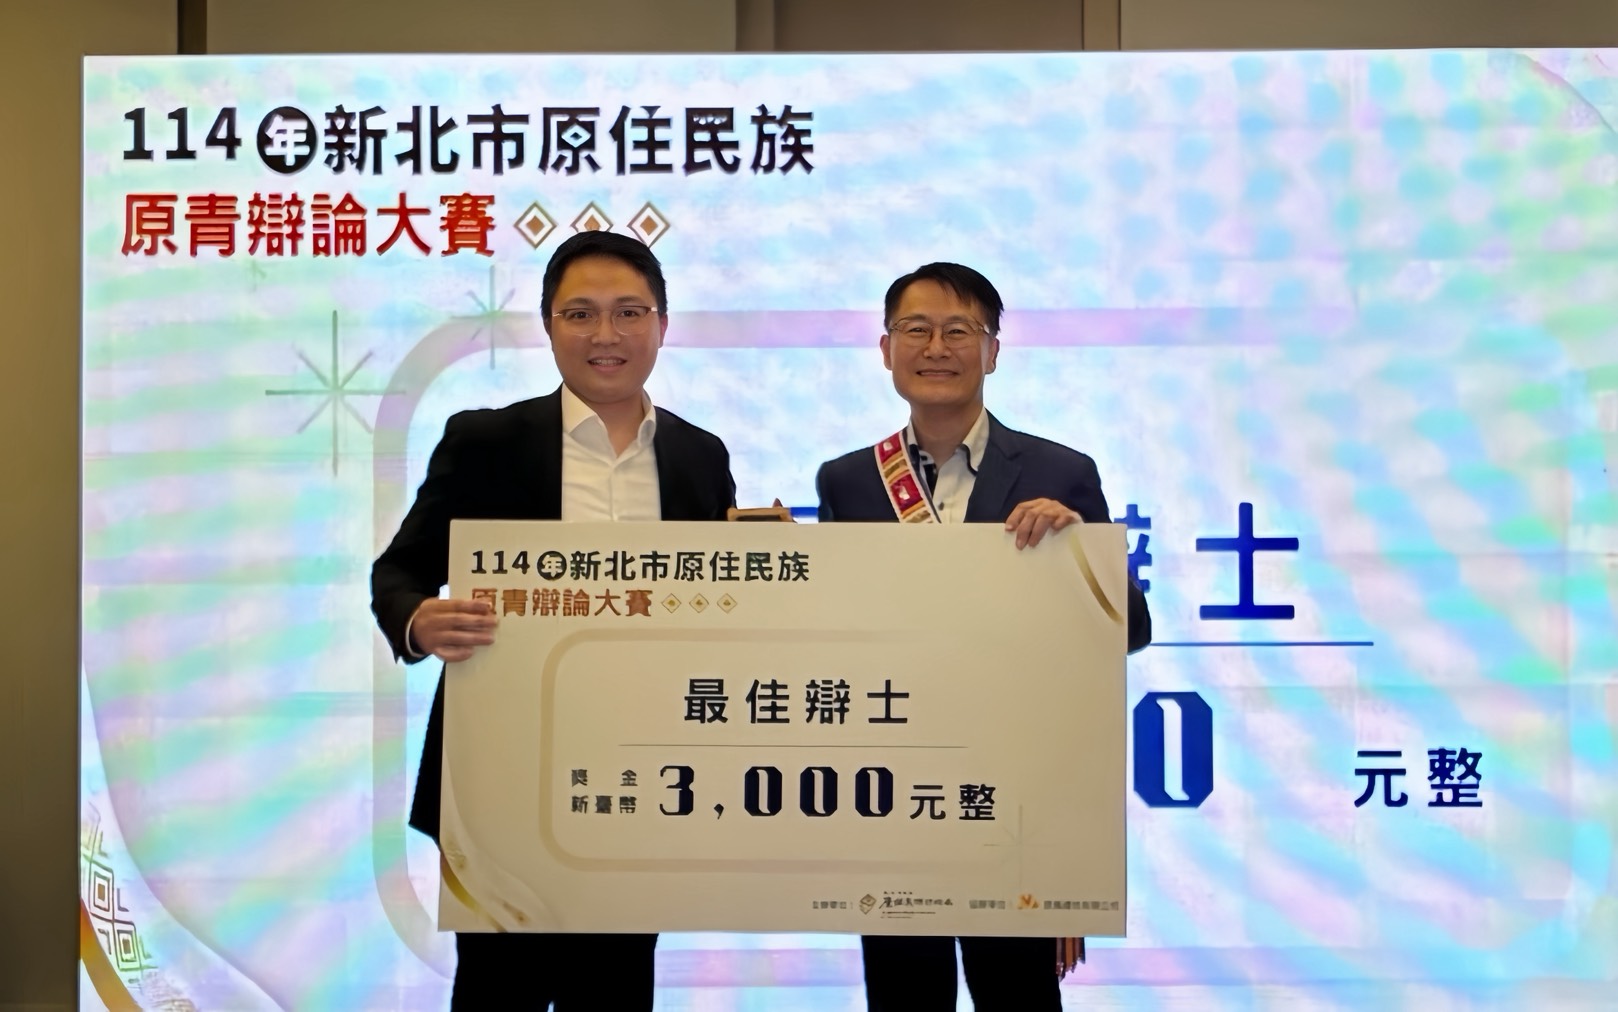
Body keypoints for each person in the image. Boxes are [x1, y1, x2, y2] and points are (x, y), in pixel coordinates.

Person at [371, 230, 737, 1011]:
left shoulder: (700, 457)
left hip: (641, 779)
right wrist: (419, 621)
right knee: (497, 993)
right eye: (581, 313)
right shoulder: (486, 441)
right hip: (503, 777)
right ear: (548, 326)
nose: (607, 334)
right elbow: (397, 572)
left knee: (616, 992)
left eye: (629, 312)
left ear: (662, 325)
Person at [814, 262, 1151, 1012]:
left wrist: (1078, 554)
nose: (936, 347)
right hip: (894, 795)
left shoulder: (1061, 472)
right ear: (885, 348)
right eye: (916, 330)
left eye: (958, 331)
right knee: (903, 998)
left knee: (1018, 996)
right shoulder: (847, 481)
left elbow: (1130, 629)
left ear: (992, 350)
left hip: (1015, 796)